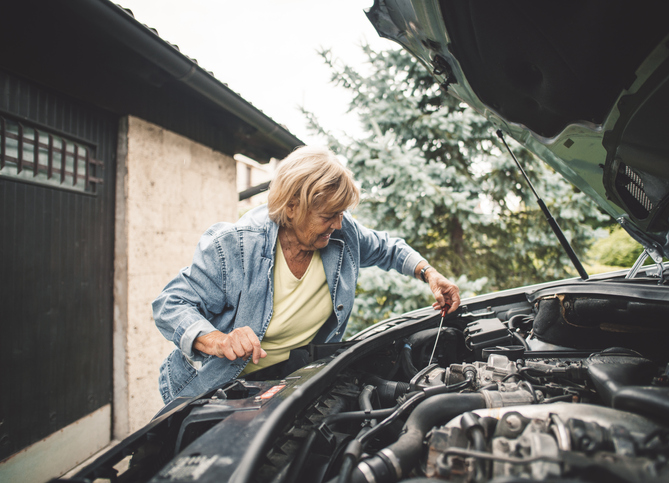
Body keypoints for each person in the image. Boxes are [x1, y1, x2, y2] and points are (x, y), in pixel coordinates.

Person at [153, 146, 461, 404]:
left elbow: (388, 249)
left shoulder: (342, 234)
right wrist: (218, 340)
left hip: (284, 385)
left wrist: (429, 274)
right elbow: (171, 304)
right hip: (212, 389)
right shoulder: (235, 246)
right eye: (329, 216)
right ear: (291, 208)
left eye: (341, 214)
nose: (339, 225)